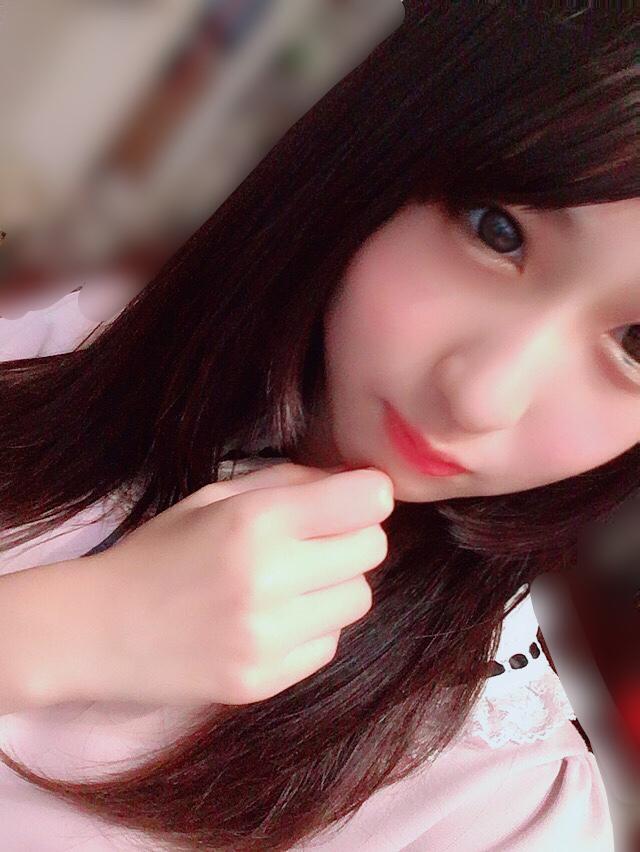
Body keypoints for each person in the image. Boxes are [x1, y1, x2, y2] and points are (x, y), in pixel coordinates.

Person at [0, 3, 637, 849]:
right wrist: (64, 632)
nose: (482, 396)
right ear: (386, 152)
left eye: (637, 345)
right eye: (498, 231)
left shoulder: (501, 812)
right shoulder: (49, 342)